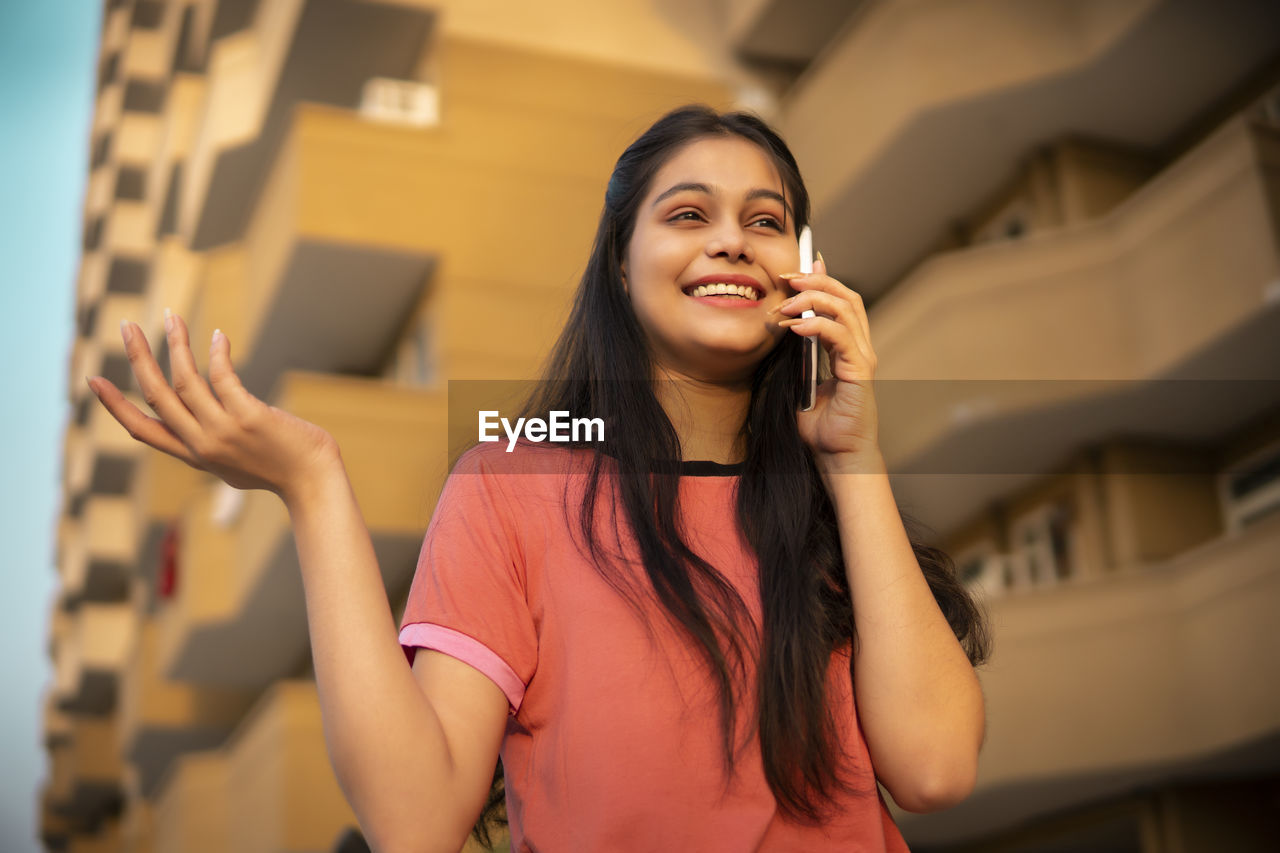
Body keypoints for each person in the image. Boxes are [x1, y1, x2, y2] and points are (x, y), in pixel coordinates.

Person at [90, 104, 989, 852]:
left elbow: (937, 768)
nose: (733, 243)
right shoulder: (514, 487)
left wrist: (851, 457)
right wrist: (313, 482)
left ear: (804, 270)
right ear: (620, 264)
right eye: (687, 215)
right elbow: (415, 820)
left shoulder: (835, 511)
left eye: (766, 221)